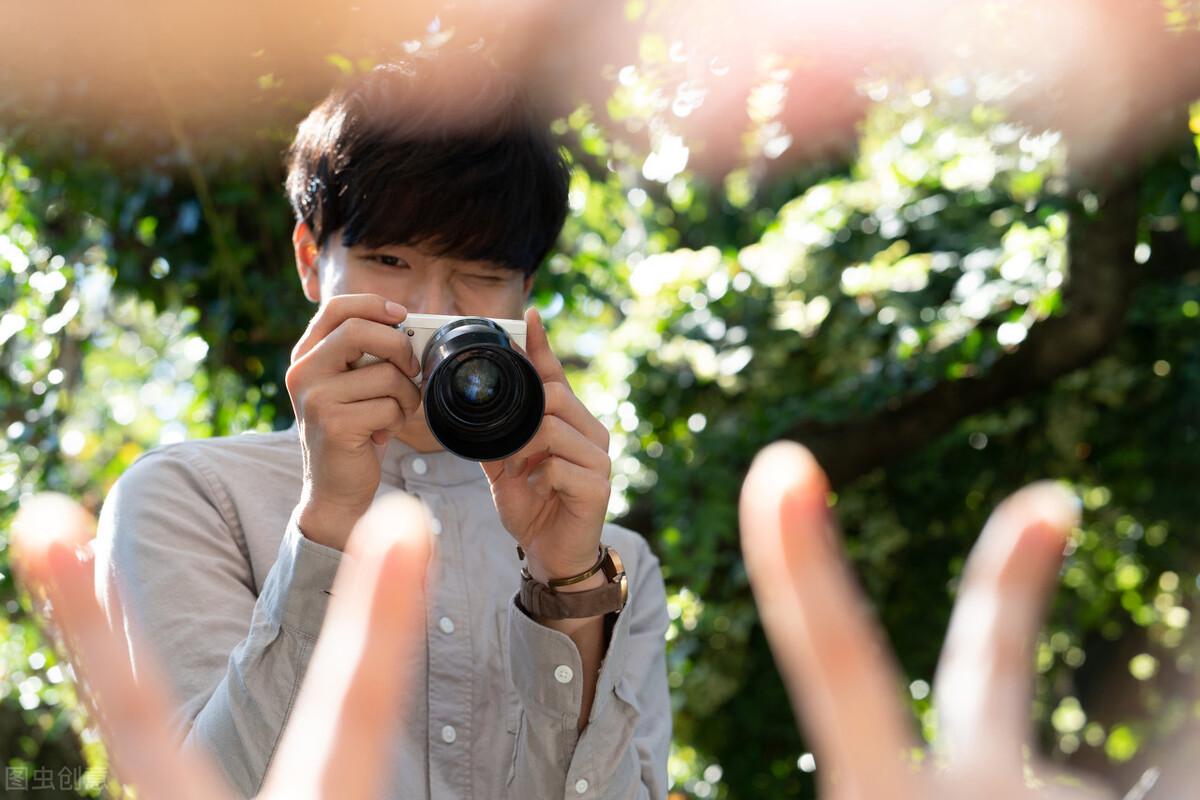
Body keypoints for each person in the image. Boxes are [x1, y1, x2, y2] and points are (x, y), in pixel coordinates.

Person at [91, 54, 671, 800]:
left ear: (526, 290)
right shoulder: (188, 500)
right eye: (388, 259)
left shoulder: (612, 564)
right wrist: (328, 524)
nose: (428, 306)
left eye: (480, 271)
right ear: (310, 258)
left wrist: (567, 589)